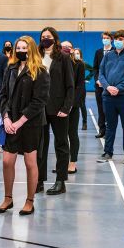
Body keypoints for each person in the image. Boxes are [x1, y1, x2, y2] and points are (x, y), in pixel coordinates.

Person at [0, 36, 50, 216]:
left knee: (30, 162)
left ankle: (29, 200)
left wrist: (19, 122)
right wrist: (6, 118)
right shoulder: (10, 69)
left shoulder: (41, 71)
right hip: (11, 122)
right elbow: (3, 95)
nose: (21, 51)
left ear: (31, 49)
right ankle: (8, 198)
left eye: (24, 48)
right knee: (7, 161)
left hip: (30, 124)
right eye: (18, 48)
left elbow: (39, 101)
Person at [37, 27, 74, 195]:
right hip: (39, 109)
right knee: (40, 145)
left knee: (61, 144)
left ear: (55, 39)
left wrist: (66, 108)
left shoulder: (64, 58)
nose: (46, 39)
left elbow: (70, 86)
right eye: (43, 37)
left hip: (59, 109)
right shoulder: (35, 57)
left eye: (49, 37)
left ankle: (60, 181)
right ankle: (39, 180)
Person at [97, 30, 124, 164]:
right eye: (116, 39)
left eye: (120, 39)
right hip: (108, 96)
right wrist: (107, 87)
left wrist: (119, 88)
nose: (117, 41)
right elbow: (101, 74)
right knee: (110, 126)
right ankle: (108, 152)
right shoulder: (108, 55)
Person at [61, 41, 85, 174]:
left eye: (68, 47)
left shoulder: (79, 64)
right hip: (58, 106)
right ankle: (61, 163)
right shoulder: (57, 62)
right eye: (63, 47)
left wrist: (70, 104)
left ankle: (72, 163)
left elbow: (80, 86)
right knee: (61, 136)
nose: (66, 49)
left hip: (73, 105)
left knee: (72, 134)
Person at [93, 31, 114, 138]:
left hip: (110, 86)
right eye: (103, 38)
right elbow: (95, 68)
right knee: (100, 109)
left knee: (109, 110)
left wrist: (108, 83)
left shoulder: (115, 52)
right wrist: (97, 80)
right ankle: (102, 130)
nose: (105, 39)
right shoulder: (98, 52)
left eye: (107, 38)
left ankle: (109, 132)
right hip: (99, 86)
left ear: (111, 39)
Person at [74, 48, 88, 130]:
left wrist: (86, 79)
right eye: (75, 53)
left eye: (78, 53)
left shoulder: (83, 63)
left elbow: (92, 70)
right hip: (73, 88)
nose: (76, 54)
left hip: (81, 88)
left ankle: (84, 122)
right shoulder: (71, 63)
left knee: (82, 105)